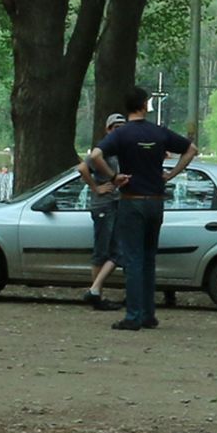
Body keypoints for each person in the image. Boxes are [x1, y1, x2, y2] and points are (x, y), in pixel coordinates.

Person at [89, 86, 197, 331]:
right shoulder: (158, 132)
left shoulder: (122, 134)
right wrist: (170, 174)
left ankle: (134, 316)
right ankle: (149, 314)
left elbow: (96, 156)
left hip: (132, 200)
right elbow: (192, 149)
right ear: (144, 105)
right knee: (149, 259)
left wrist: (113, 177)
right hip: (156, 201)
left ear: (127, 107)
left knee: (133, 259)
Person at [77, 112, 127, 310]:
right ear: (108, 129)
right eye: (116, 127)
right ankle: (96, 294)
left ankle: (96, 291)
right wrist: (96, 188)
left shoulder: (123, 149)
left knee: (116, 250)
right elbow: (82, 168)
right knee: (102, 250)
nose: (120, 131)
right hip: (103, 205)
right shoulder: (103, 149)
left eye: (123, 127)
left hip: (118, 203)